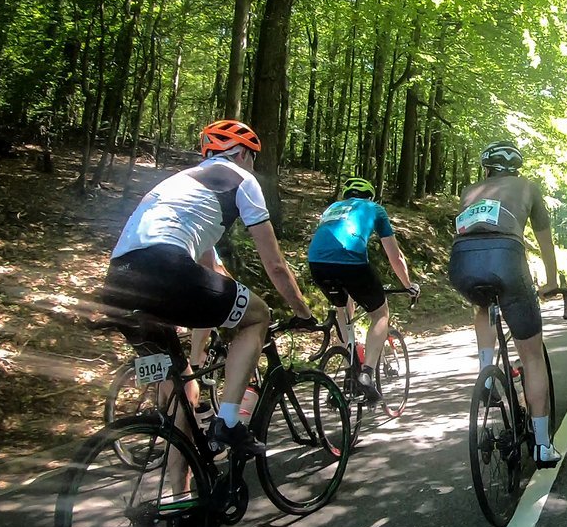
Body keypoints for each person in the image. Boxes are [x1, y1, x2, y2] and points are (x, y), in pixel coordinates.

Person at [101, 119, 315, 461]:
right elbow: (275, 265)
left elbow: (209, 268)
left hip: (117, 283)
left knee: (184, 392)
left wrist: (230, 294)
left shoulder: (179, 185)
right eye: (253, 157)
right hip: (166, 269)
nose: (253, 165)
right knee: (257, 315)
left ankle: (180, 500)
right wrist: (303, 311)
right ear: (243, 153)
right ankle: (228, 422)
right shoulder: (241, 179)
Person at [448, 140, 563, 467]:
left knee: (482, 305)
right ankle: (542, 446)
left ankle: (486, 371)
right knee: (532, 357)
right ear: (516, 167)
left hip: (462, 263)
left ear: (487, 168)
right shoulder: (527, 187)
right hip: (507, 259)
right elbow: (545, 242)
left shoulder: (470, 191)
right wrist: (552, 281)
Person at [308, 176, 419, 402]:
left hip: (317, 263)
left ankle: (350, 366)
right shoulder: (374, 208)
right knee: (380, 314)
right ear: (370, 196)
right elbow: (395, 256)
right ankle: (366, 373)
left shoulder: (331, 209)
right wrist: (408, 285)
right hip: (351, 262)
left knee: (343, 307)